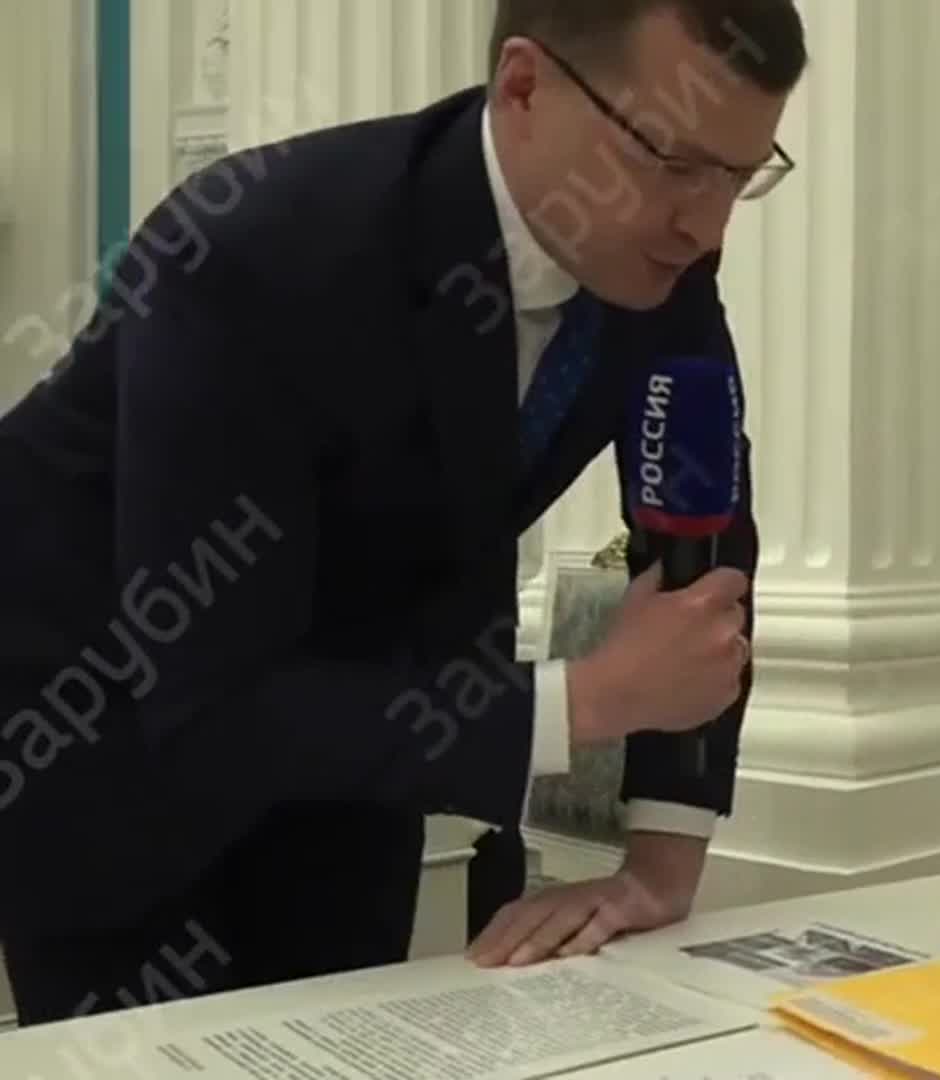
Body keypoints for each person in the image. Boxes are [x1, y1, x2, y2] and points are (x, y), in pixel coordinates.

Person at [0, 0, 806, 1025]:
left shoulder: (662, 257)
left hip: (362, 759)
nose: (708, 225)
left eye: (739, 175)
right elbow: (207, 707)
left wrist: (659, 866)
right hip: (104, 745)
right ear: (525, 87)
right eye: (673, 161)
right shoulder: (253, 251)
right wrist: (585, 701)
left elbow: (703, 544)